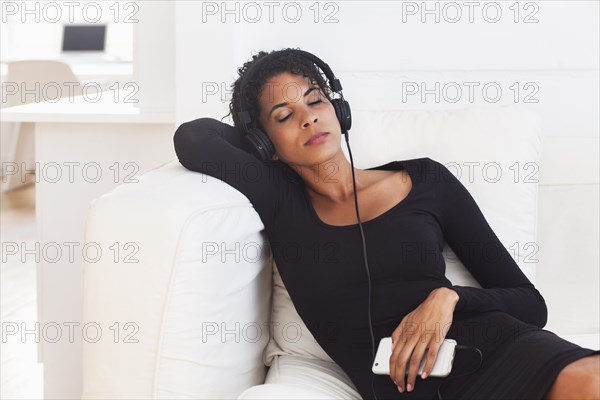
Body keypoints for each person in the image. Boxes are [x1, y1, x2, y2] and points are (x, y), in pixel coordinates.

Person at [173, 48, 600, 399]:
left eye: (316, 100)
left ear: (339, 108)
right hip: (408, 385)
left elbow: (531, 304)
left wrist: (447, 299)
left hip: (507, 346)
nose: (308, 118)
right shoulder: (280, 201)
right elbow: (193, 138)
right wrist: (259, 145)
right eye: (284, 116)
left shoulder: (424, 181)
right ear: (265, 142)